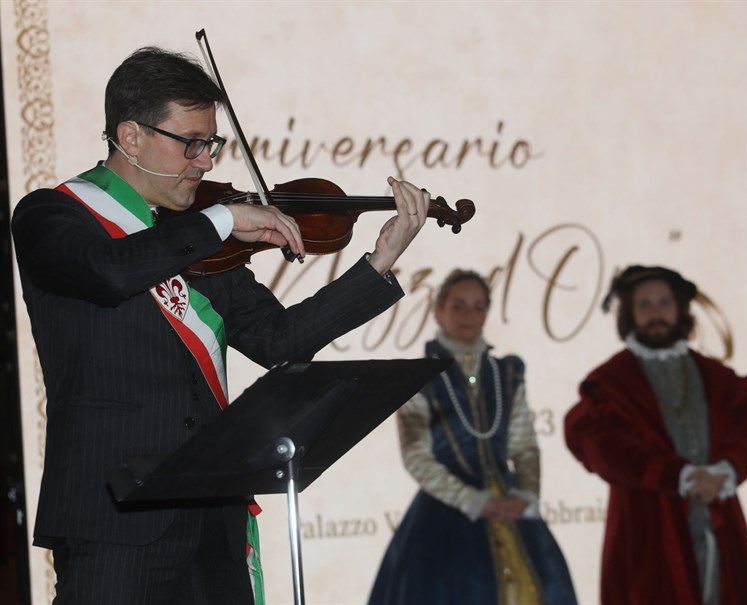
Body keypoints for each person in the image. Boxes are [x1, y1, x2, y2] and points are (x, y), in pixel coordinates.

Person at [11, 47, 432, 605]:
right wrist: (223, 218)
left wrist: (380, 262)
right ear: (129, 136)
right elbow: (108, 273)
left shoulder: (201, 237)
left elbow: (280, 340)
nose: (206, 162)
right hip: (114, 522)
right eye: (191, 143)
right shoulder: (53, 216)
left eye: (211, 143)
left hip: (215, 518)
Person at [564, 265, 747, 605]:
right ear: (630, 314)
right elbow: (601, 445)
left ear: (680, 310)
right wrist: (676, 475)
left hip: (719, 519)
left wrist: (727, 470)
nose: (656, 313)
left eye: (664, 303)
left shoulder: (715, 376)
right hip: (646, 526)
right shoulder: (611, 381)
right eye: (644, 304)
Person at [368, 269, 578, 605]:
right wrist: (474, 502)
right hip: (447, 513)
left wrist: (526, 495)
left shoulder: (506, 373)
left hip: (510, 504)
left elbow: (523, 444)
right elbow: (416, 457)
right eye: (459, 305)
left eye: (479, 307)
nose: (469, 315)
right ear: (438, 310)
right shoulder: (418, 377)